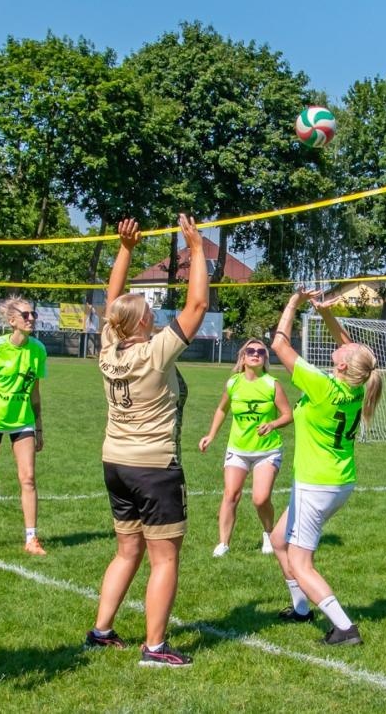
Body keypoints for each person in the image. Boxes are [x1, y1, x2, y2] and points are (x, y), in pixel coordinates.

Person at [85, 215, 209, 667]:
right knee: (164, 558)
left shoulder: (108, 346)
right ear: (138, 323)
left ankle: (101, 632)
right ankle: (155, 648)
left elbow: (109, 302)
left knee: (127, 550)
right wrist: (196, 248)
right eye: (150, 313)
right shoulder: (154, 352)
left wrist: (125, 249)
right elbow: (196, 306)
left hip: (114, 461)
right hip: (154, 467)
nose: (155, 316)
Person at [266, 289, 383, 646]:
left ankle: (345, 628)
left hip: (316, 484)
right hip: (338, 481)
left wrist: (293, 302)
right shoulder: (358, 384)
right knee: (277, 539)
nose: (347, 347)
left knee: (302, 563)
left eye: (348, 353)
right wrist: (325, 313)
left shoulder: (323, 385)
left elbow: (279, 346)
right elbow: (353, 349)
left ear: (344, 366)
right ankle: (301, 608)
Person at [197, 337, 291, 557]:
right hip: (238, 448)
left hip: (267, 450)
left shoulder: (272, 384)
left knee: (260, 498)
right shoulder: (233, 383)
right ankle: (223, 543)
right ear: (243, 357)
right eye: (251, 351)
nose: (256, 354)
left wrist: (273, 423)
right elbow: (222, 409)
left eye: (261, 351)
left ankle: (269, 533)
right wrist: (211, 435)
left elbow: (288, 414)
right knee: (231, 494)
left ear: (265, 358)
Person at [0, 296, 48, 556]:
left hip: (22, 420)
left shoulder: (37, 349)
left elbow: (35, 392)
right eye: (25, 315)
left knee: (28, 478)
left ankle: (31, 538)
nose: (31, 319)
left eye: (32, 314)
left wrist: (38, 427)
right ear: (12, 320)